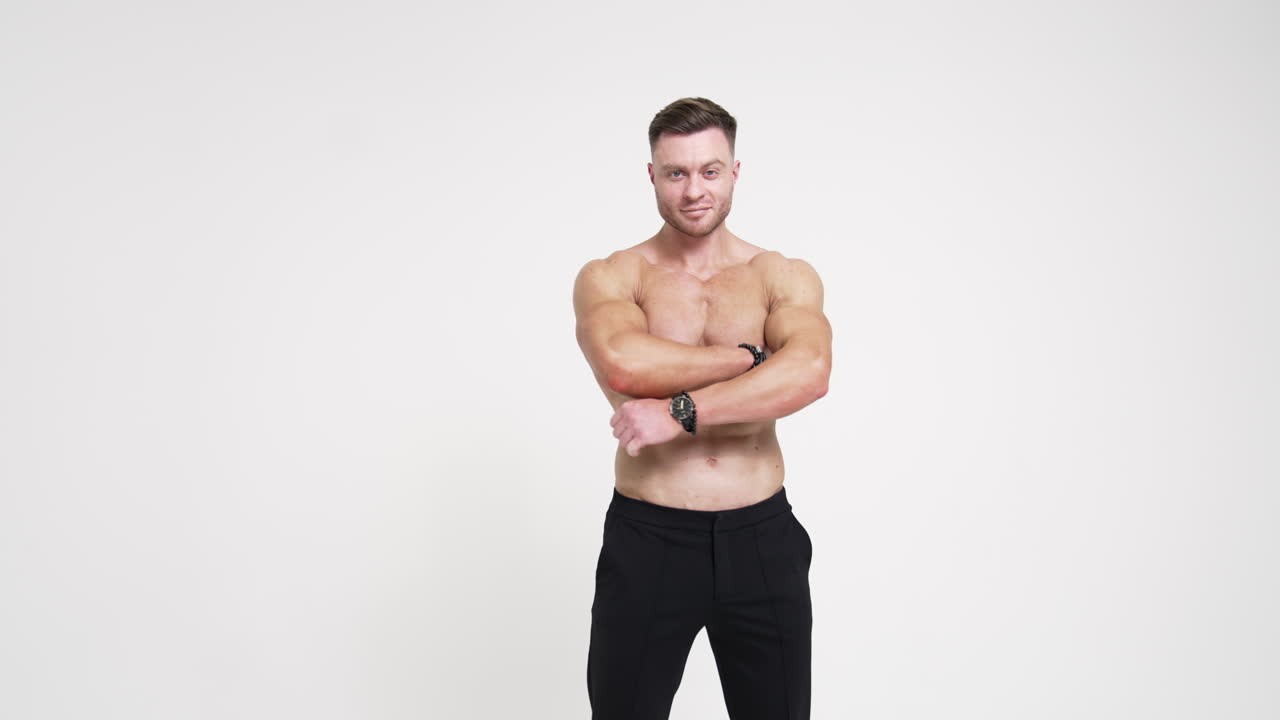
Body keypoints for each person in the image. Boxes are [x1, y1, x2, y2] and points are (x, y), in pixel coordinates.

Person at [572, 97, 833, 720]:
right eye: (677, 173)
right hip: (650, 537)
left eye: (710, 171)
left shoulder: (782, 275)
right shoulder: (614, 276)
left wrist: (675, 411)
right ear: (653, 176)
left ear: (735, 172)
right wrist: (750, 357)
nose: (694, 190)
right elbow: (624, 364)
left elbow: (810, 372)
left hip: (761, 538)